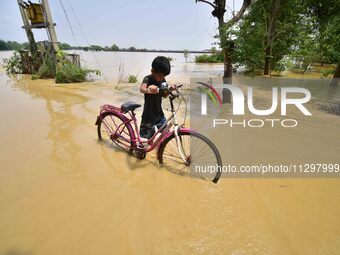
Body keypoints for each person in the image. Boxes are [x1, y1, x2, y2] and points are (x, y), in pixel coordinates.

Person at [139, 56, 171, 140]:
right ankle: (149, 149)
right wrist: (148, 89)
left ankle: (160, 149)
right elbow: (142, 89)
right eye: (160, 76)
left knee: (166, 133)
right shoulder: (148, 79)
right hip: (148, 116)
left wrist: (170, 90)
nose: (162, 78)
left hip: (159, 113)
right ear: (152, 71)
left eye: (164, 76)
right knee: (150, 137)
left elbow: (164, 95)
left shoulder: (163, 80)